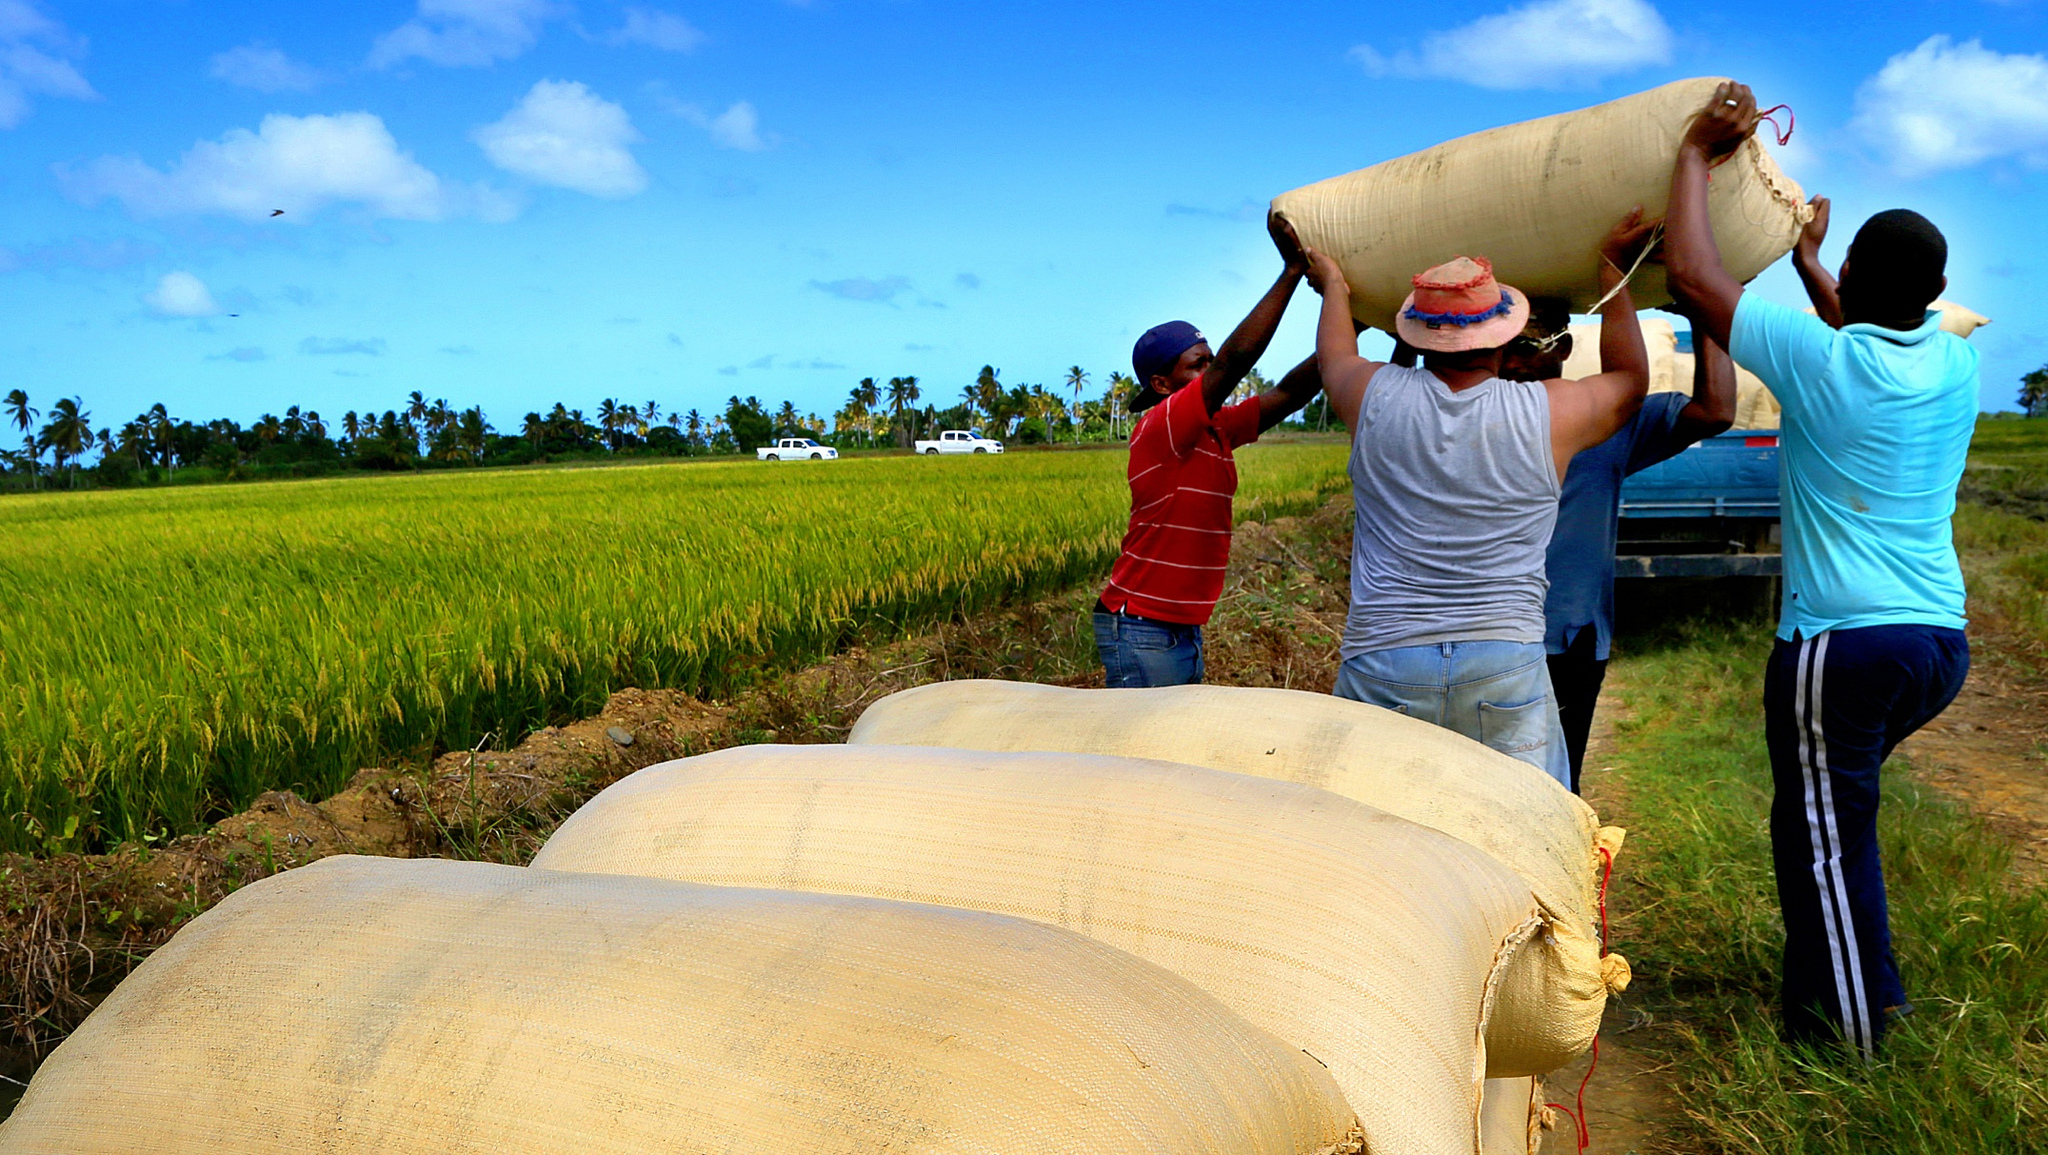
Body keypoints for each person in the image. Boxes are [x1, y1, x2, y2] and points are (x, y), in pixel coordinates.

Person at [1662, 82, 1979, 1056]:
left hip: (1839, 645)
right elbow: (1857, 322)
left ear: (1852, 273)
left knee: (1824, 840)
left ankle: (1858, 1035)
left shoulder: (1819, 360)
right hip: (1935, 645)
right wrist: (1807, 262)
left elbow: (1689, 276)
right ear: (1928, 298)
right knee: (1819, 825)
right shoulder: (1949, 362)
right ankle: (1821, 1001)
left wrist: (1690, 154)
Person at [1300, 210, 1656, 786]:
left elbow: (1333, 356)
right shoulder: (1548, 411)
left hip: (1385, 658)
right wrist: (1615, 271)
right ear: (1505, 335)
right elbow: (1630, 381)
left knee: (1375, 838)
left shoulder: (1370, 395)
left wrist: (1334, 288)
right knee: (1523, 831)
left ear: (1417, 335)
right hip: (1503, 660)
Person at [1502, 300, 1737, 791]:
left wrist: (1702, 315)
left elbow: (1715, 412)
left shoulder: (1603, 425)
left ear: (1563, 349)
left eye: (1525, 347)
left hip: (1566, 642)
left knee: (1554, 792)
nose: (1513, 364)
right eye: (1500, 351)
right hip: (1484, 641)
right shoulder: (1469, 417)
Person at [1094, 212, 1323, 688]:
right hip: (1142, 625)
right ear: (1161, 383)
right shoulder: (1164, 424)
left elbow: (1287, 395)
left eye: (1211, 362)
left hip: (1176, 626)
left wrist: (1352, 323)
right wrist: (1292, 274)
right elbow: (1239, 361)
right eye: (1198, 365)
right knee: (1147, 757)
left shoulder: (1215, 428)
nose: (1212, 371)